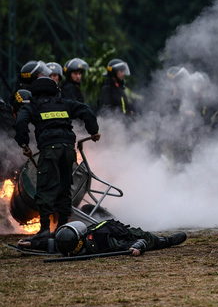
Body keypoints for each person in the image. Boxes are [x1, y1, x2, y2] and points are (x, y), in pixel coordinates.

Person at [13, 77, 101, 239]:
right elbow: (86, 110)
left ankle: (45, 229)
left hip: (50, 150)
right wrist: (93, 131)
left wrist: (23, 143)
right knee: (64, 187)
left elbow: (20, 122)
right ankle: (62, 227)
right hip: (68, 149)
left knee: (46, 187)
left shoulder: (32, 106)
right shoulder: (65, 103)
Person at [17, 220, 186, 257]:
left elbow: (136, 243)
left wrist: (138, 249)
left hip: (130, 233)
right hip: (126, 234)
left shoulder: (103, 242)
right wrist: (32, 243)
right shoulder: (89, 238)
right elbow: (54, 242)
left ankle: (169, 240)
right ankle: (168, 240)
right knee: (153, 240)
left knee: (156, 240)